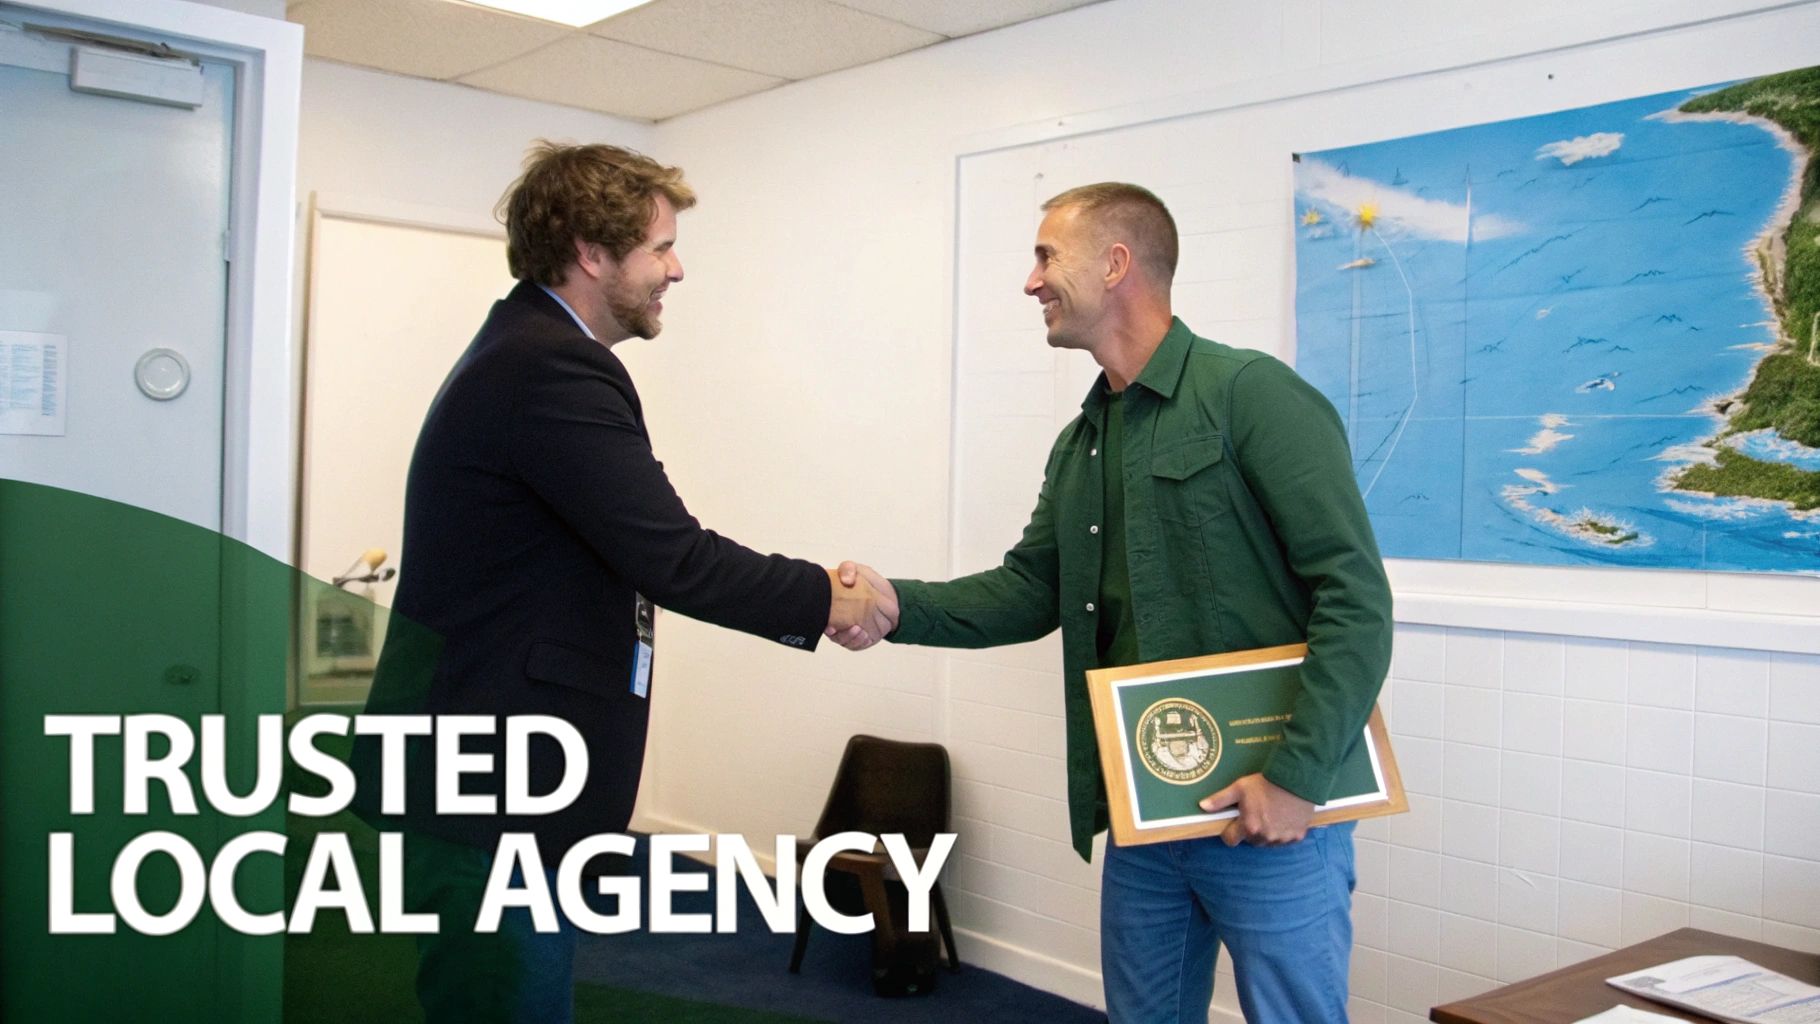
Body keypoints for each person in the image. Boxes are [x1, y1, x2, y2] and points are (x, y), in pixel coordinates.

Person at [352, 141, 891, 1023]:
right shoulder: (548, 367)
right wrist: (829, 599)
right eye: (660, 248)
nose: (677, 269)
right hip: (490, 784)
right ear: (591, 253)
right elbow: (669, 553)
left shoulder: (527, 350)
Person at [836, 182, 1393, 1022]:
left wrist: (1295, 777)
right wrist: (895, 607)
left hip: (1272, 811)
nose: (1032, 282)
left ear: (1117, 263)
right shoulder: (1082, 441)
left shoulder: (1253, 396)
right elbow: (1030, 589)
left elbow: (1355, 599)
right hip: (1149, 810)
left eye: (1046, 256)